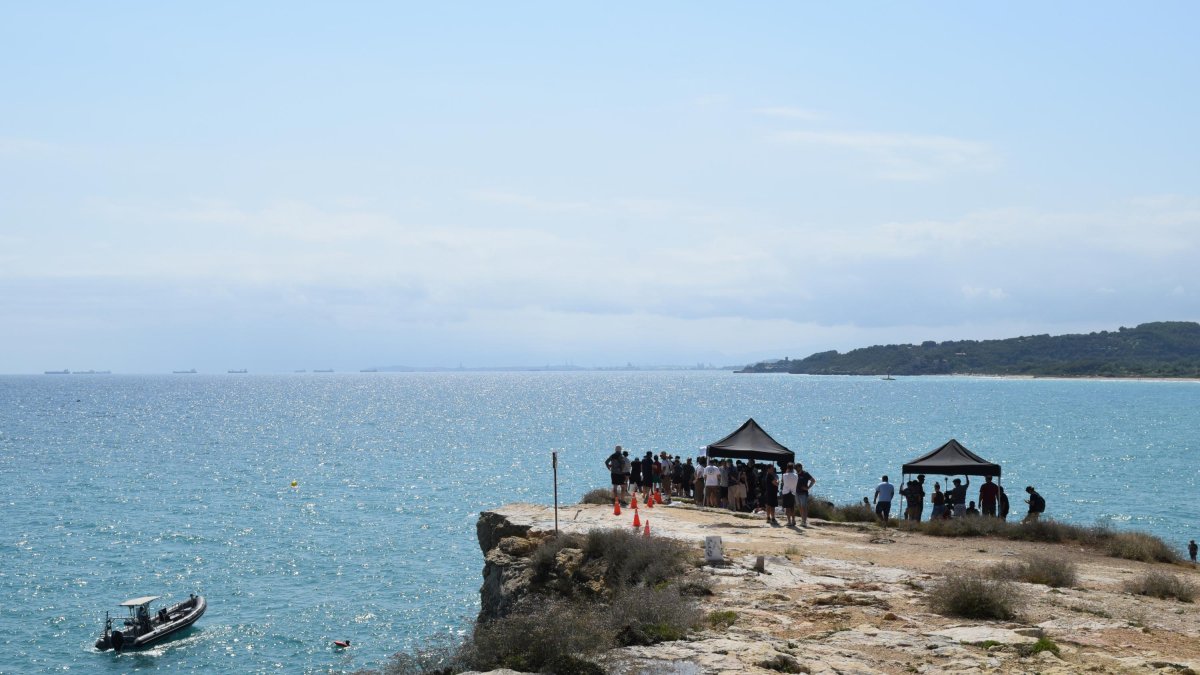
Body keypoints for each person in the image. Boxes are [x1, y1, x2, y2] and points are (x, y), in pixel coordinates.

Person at [795, 462, 817, 527]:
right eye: (795, 468)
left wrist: (808, 488)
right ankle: (802, 520)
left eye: (797, 467)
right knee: (799, 507)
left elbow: (813, 480)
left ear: (800, 467)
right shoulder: (796, 474)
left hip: (803, 493)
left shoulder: (805, 474)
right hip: (797, 492)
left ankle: (804, 521)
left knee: (804, 507)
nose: (796, 469)